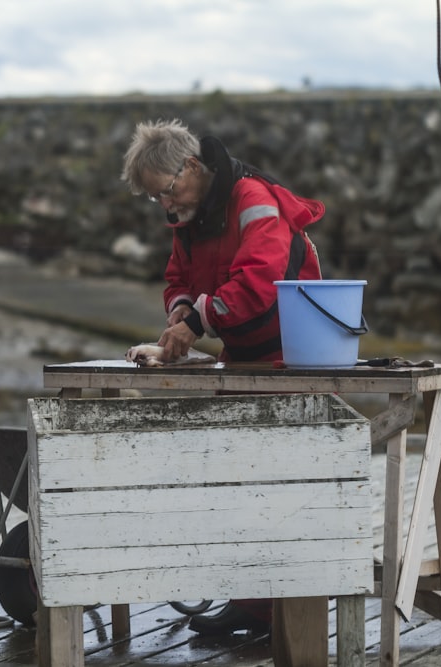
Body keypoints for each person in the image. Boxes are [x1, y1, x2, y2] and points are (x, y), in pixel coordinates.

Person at [121, 118, 325, 635]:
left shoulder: (253, 199)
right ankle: (254, 602)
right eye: (156, 200)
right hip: (245, 357)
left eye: (167, 192)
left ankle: (284, 608)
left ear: (191, 166)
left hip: (294, 357)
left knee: (280, 483)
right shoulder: (190, 215)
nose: (166, 207)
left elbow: (261, 280)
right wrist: (182, 308)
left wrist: (196, 324)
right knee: (242, 480)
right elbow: (178, 278)